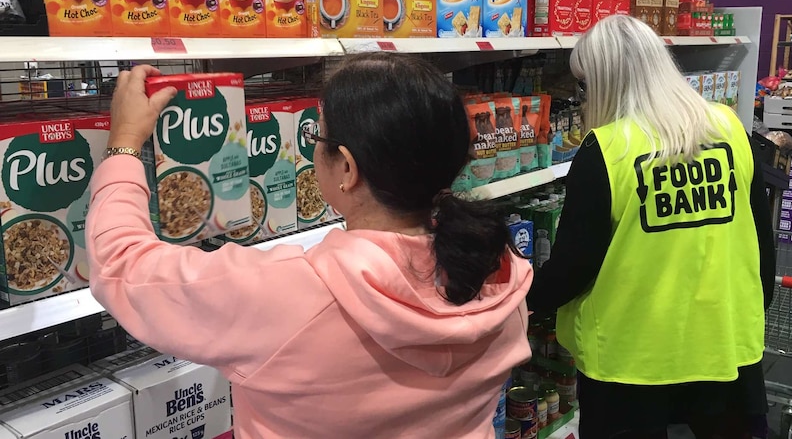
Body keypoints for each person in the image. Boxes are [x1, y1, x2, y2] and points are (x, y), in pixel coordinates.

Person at [85, 53, 533, 438]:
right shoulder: (500, 273)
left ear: (348, 169)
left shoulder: (286, 295)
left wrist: (124, 144)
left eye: (319, 138)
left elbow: (122, 263)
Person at [527, 15, 776, 439]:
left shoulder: (606, 149)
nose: (581, 97)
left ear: (604, 81)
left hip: (630, 354)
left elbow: (575, 264)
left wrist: (524, 296)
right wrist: (756, 303)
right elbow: (759, 234)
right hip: (723, 337)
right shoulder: (730, 128)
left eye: (583, 85)